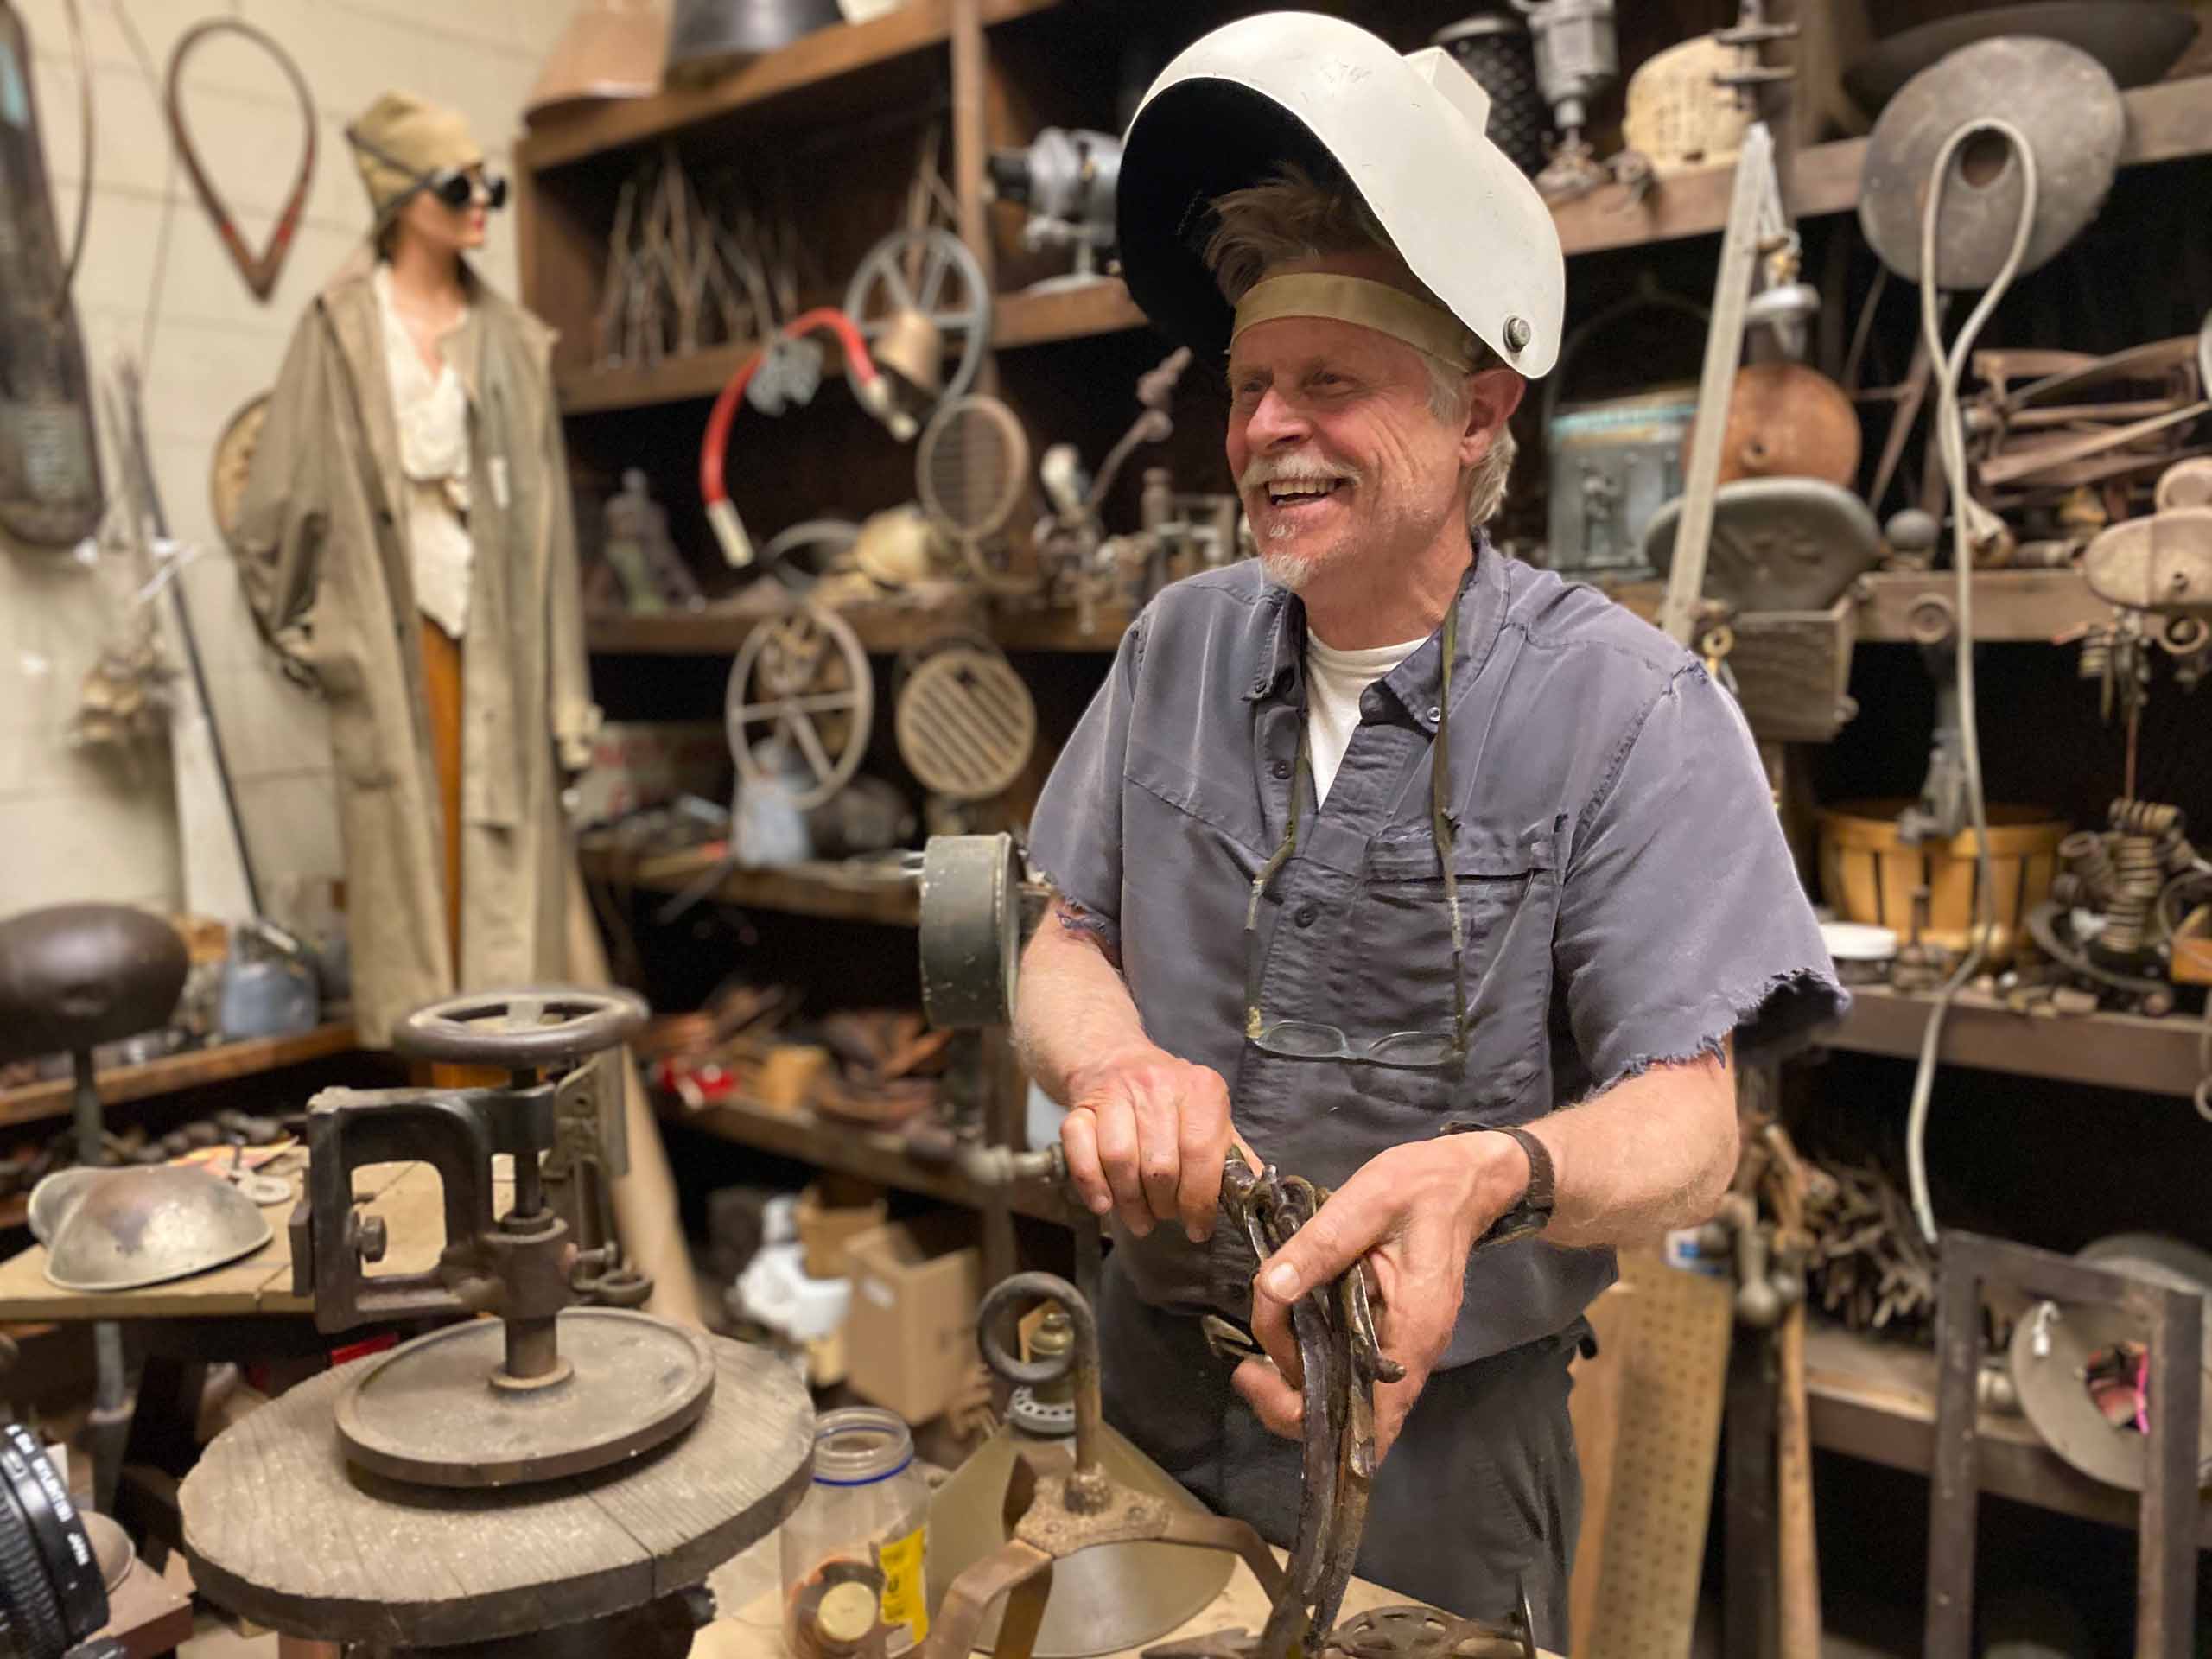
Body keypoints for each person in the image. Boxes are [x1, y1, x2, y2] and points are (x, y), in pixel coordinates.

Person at [1013, 15, 1846, 1643]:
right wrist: (1113, 1067)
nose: (1267, 429)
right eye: (1253, 387)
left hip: (1441, 1453)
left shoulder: (1631, 710)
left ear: (1477, 412)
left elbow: (1691, 1128)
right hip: (1142, 1391)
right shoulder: (1173, 647)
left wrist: (1492, 1178)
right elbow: (1065, 939)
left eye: (1330, 383)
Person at [234, 91, 598, 1047]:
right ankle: (434, 1137)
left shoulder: (512, 342)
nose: (481, 201)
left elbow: (553, 541)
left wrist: (565, 702)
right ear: (401, 198)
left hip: (501, 660)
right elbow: (273, 513)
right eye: (456, 183)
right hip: (396, 664)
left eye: (491, 183)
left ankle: (512, 1132)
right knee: (413, 907)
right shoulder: (340, 330)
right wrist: (321, 642)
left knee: (511, 923)